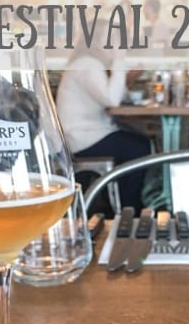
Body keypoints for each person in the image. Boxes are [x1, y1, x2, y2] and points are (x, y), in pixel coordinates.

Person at [56, 20, 151, 214]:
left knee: (138, 142)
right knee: (140, 147)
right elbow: (112, 100)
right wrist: (119, 59)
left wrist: (126, 75)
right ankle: (129, 208)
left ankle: (123, 203)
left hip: (86, 134)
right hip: (82, 138)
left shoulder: (89, 63)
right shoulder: (87, 64)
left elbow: (117, 96)